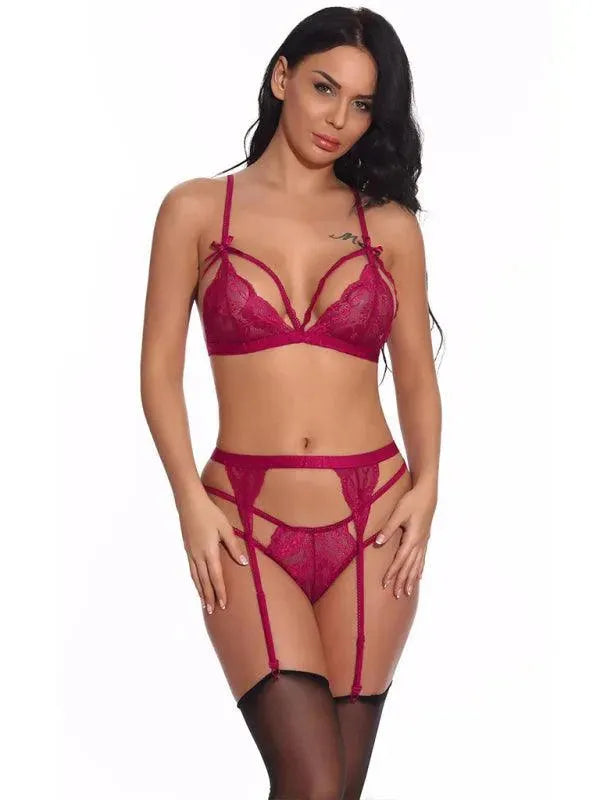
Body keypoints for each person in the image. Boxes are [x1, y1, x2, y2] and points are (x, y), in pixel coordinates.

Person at [140, 7, 442, 799]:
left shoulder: (389, 227)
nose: (338, 119)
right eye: (323, 88)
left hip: (376, 517)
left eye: (362, 104)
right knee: (310, 780)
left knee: (334, 790)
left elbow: (416, 376)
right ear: (282, 78)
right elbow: (158, 372)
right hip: (240, 522)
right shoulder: (197, 209)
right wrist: (188, 502)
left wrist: (428, 489)